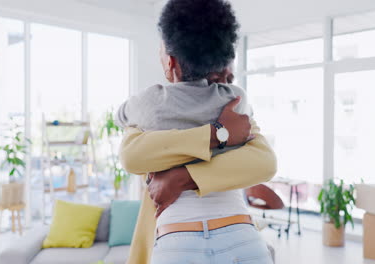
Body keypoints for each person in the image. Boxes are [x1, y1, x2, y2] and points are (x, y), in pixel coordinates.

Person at [116, 0, 276, 263]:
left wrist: (180, 174)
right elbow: (264, 159)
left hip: (178, 241)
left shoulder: (149, 104)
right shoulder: (235, 100)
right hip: (242, 236)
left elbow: (122, 117)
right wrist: (218, 133)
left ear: (171, 61)